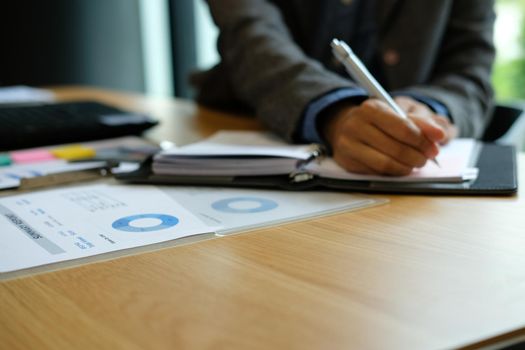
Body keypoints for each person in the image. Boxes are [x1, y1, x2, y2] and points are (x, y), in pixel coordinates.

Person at [192, 0, 496, 175]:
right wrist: (334, 111)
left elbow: (470, 68)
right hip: (252, 131)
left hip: (404, 188)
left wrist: (429, 108)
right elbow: (250, 37)